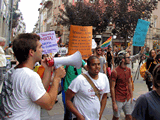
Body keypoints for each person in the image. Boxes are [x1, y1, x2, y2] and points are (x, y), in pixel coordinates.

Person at [0, 33, 66, 119]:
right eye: (40, 47)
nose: (42, 50)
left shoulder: (11, 72)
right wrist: (57, 78)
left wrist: (47, 69)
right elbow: (49, 105)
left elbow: (41, 91)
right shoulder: (30, 76)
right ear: (31, 52)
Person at [65, 56, 110, 120]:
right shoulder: (79, 80)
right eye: (93, 65)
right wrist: (79, 116)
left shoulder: (104, 78)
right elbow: (68, 100)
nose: (97, 67)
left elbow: (104, 97)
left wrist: (100, 114)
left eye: (98, 64)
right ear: (88, 67)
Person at [111, 51, 133, 120]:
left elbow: (129, 83)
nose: (129, 59)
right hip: (118, 98)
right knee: (116, 117)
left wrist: (131, 96)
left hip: (127, 97)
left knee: (129, 117)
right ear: (123, 59)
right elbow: (112, 88)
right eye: (128, 57)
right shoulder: (115, 72)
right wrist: (114, 103)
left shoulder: (128, 70)